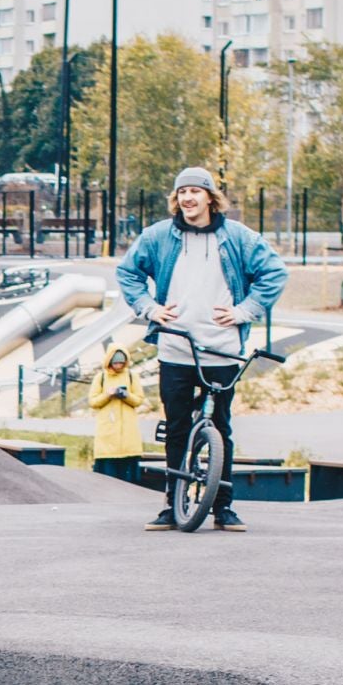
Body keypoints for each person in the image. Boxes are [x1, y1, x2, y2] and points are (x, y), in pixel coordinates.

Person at [112, 166, 287, 530]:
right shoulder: (159, 235)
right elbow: (128, 273)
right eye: (182, 193)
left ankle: (223, 507)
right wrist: (149, 308)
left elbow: (274, 272)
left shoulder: (237, 237)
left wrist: (245, 311)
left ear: (210, 197)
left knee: (220, 428)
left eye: (195, 191)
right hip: (175, 347)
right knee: (176, 428)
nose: (188, 198)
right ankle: (171, 505)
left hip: (222, 349)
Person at [87, 343, 152, 488]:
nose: (119, 366)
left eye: (121, 363)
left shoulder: (131, 376)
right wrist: (108, 395)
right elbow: (93, 401)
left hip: (128, 433)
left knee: (127, 475)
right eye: (116, 362)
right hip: (107, 432)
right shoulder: (101, 377)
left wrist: (126, 395)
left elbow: (138, 400)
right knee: (108, 475)